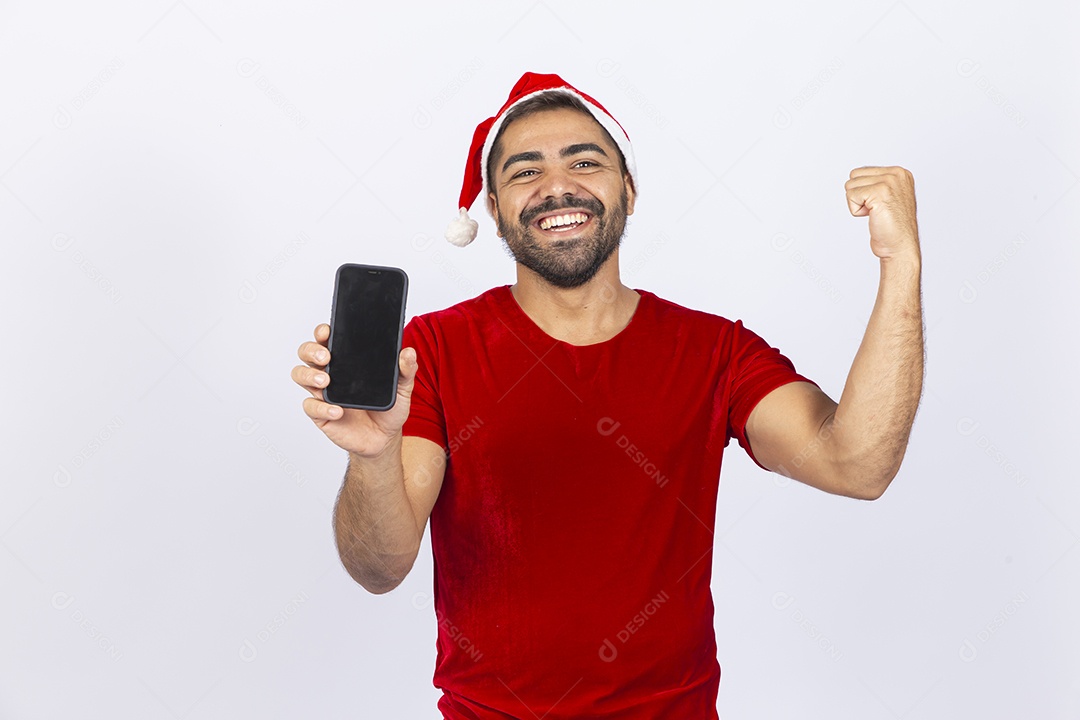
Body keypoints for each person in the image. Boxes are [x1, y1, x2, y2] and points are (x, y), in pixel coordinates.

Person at [292, 72, 923, 719]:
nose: (556, 186)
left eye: (584, 161)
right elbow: (379, 568)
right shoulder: (433, 351)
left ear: (628, 189)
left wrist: (901, 265)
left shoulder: (715, 352)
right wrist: (373, 455)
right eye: (523, 171)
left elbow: (857, 463)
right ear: (493, 207)